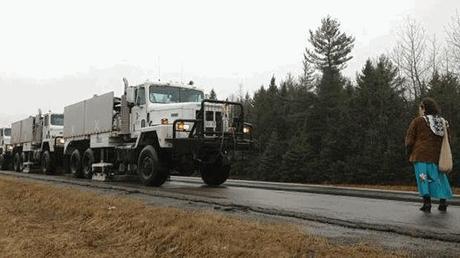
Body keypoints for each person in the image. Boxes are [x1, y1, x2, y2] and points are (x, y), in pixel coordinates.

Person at [405, 97, 453, 213]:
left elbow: (410, 140)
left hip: (420, 155)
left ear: (424, 108)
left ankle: (427, 203)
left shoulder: (418, 121)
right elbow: (448, 140)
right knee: (439, 178)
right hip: (437, 156)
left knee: (423, 178)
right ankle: (443, 202)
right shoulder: (443, 122)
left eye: (420, 108)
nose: (419, 110)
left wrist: (408, 152)